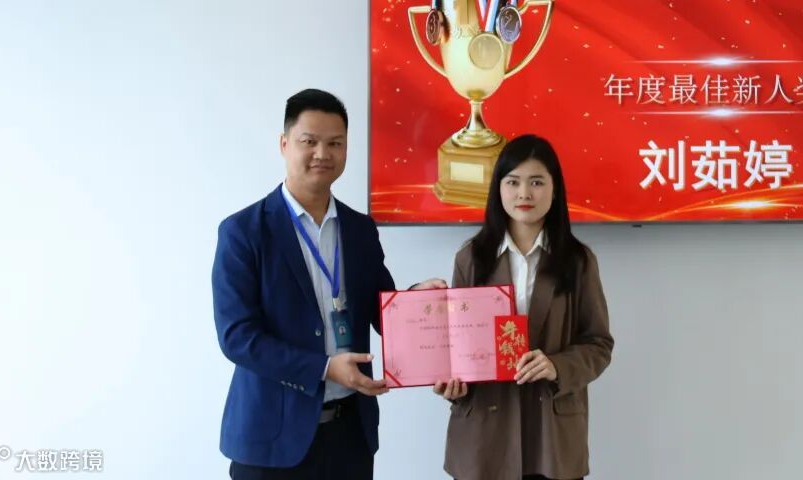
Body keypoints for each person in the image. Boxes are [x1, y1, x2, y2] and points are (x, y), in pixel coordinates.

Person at [213, 89, 445, 480]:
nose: (323, 153)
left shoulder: (360, 229)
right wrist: (323, 368)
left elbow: (381, 310)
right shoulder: (243, 232)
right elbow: (237, 337)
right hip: (271, 441)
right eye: (310, 141)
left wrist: (415, 302)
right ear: (284, 144)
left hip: (349, 436)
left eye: (335, 143)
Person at [434, 134, 613, 480]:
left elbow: (599, 344)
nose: (524, 194)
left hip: (551, 437)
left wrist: (557, 365)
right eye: (513, 182)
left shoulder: (578, 262)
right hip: (484, 435)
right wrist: (452, 383)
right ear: (498, 189)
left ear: (555, 190)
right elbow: (458, 345)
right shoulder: (471, 258)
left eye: (536, 182)